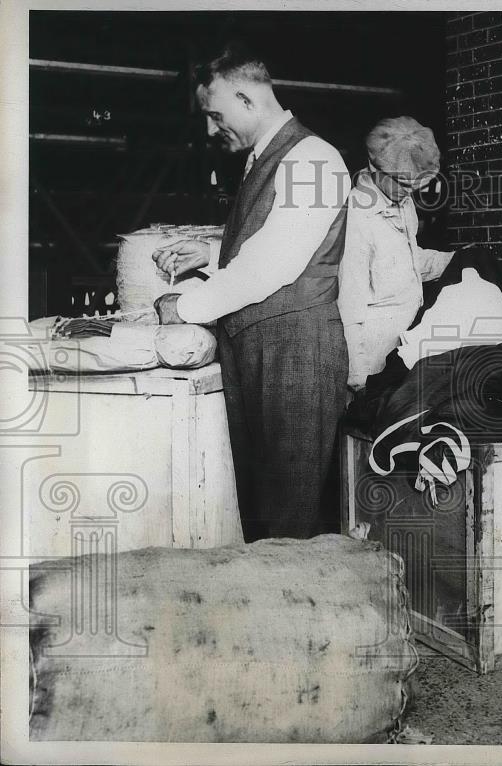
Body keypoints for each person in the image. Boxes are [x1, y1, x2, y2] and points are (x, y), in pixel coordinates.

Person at [152, 44, 351, 542]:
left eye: (215, 114)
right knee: (262, 512)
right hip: (261, 348)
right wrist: (216, 254)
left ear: (245, 97)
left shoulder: (316, 159)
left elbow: (274, 266)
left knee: (291, 515)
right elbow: (270, 244)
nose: (210, 128)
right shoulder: (264, 159)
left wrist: (186, 306)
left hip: (295, 352)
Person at [337, 116, 454, 390]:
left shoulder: (402, 201)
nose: (409, 192)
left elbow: (407, 260)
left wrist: (454, 260)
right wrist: (358, 372)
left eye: (416, 185)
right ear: (374, 167)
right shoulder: (357, 217)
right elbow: (349, 302)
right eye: (404, 184)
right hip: (372, 351)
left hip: (404, 343)